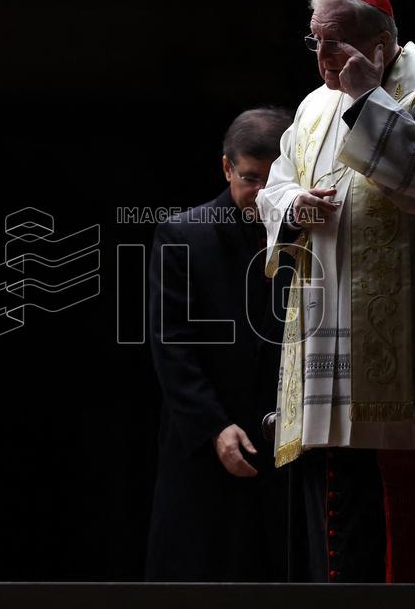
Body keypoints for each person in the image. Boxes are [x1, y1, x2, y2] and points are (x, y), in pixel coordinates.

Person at [256, 0, 415, 583]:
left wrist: (367, 102)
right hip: (330, 327)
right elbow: (276, 180)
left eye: (336, 45)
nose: (323, 59)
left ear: (382, 43)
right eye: (314, 43)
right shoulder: (313, 106)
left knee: (408, 512)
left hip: (409, 335)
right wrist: (294, 203)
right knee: (340, 504)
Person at [145, 108, 293, 581]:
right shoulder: (182, 234)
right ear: (226, 168)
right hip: (207, 438)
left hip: (288, 444)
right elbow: (172, 347)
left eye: (274, 182)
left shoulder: (308, 234)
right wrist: (214, 427)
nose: (262, 196)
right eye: (250, 179)